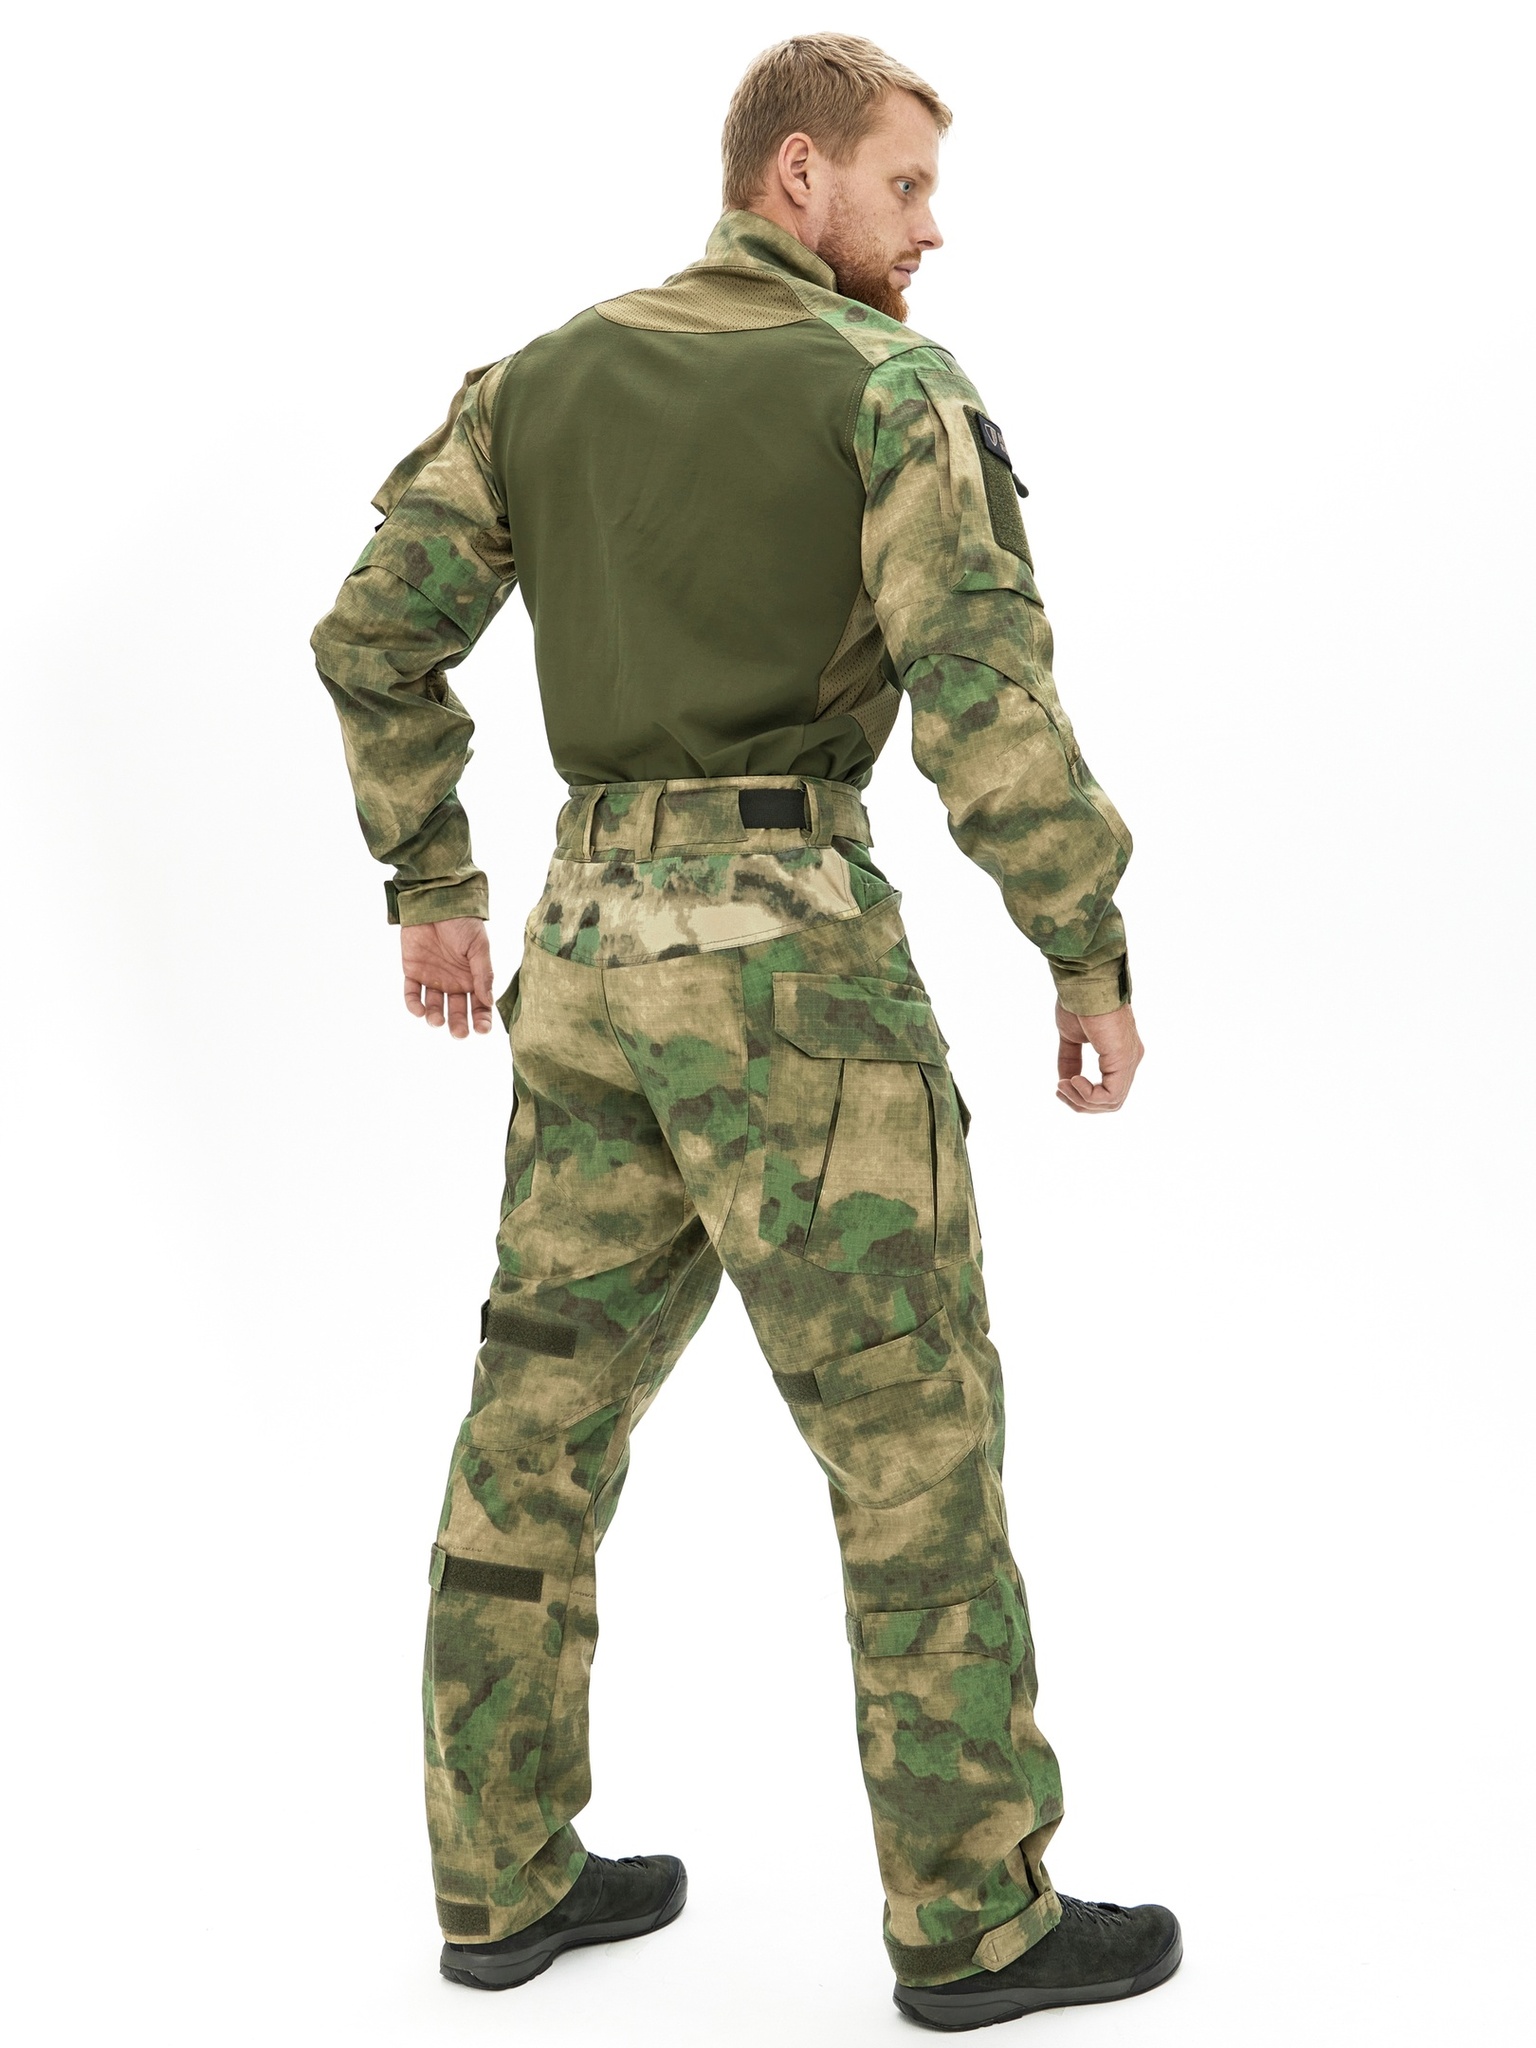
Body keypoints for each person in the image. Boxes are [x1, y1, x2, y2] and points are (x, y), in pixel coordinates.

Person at [312, 30, 1177, 2032]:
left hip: (586, 960)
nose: (931, 231)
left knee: (538, 1422)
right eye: (905, 186)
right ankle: (975, 1922)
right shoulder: (884, 391)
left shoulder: (536, 384)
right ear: (798, 173)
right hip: (794, 976)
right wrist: (1085, 945)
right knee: (909, 1436)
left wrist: (438, 885)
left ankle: (501, 1877)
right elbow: (982, 697)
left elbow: (370, 635)